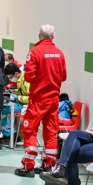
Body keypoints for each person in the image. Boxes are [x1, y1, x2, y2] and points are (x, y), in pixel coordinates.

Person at [14, 24, 67, 177]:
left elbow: (29, 76)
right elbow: (63, 76)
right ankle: (48, 165)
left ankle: (28, 165)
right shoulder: (60, 53)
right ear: (54, 36)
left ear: (39, 35)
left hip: (38, 99)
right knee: (51, 131)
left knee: (29, 129)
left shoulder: (35, 52)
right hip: (54, 99)